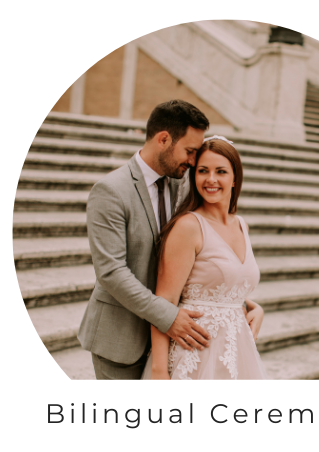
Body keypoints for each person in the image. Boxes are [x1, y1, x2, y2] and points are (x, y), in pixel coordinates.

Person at [78, 100, 213, 379]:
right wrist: (168, 317)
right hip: (120, 340)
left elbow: (201, 252)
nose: (192, 161)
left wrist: (243, 304)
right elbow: (111, 272)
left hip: (169, 343)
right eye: (189, 151)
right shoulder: (111, 191)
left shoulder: (182, 183)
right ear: (163, 139)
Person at [142, 135, 267, 380]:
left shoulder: (242, 225)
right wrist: (159, 370)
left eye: (220, 171)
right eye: (202, 171)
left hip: (236, 352)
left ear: (234, 178)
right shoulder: (188, 226)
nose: (211, 179)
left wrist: (253, 307)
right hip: (193, 355)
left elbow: (225, 285)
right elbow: (164, 300)